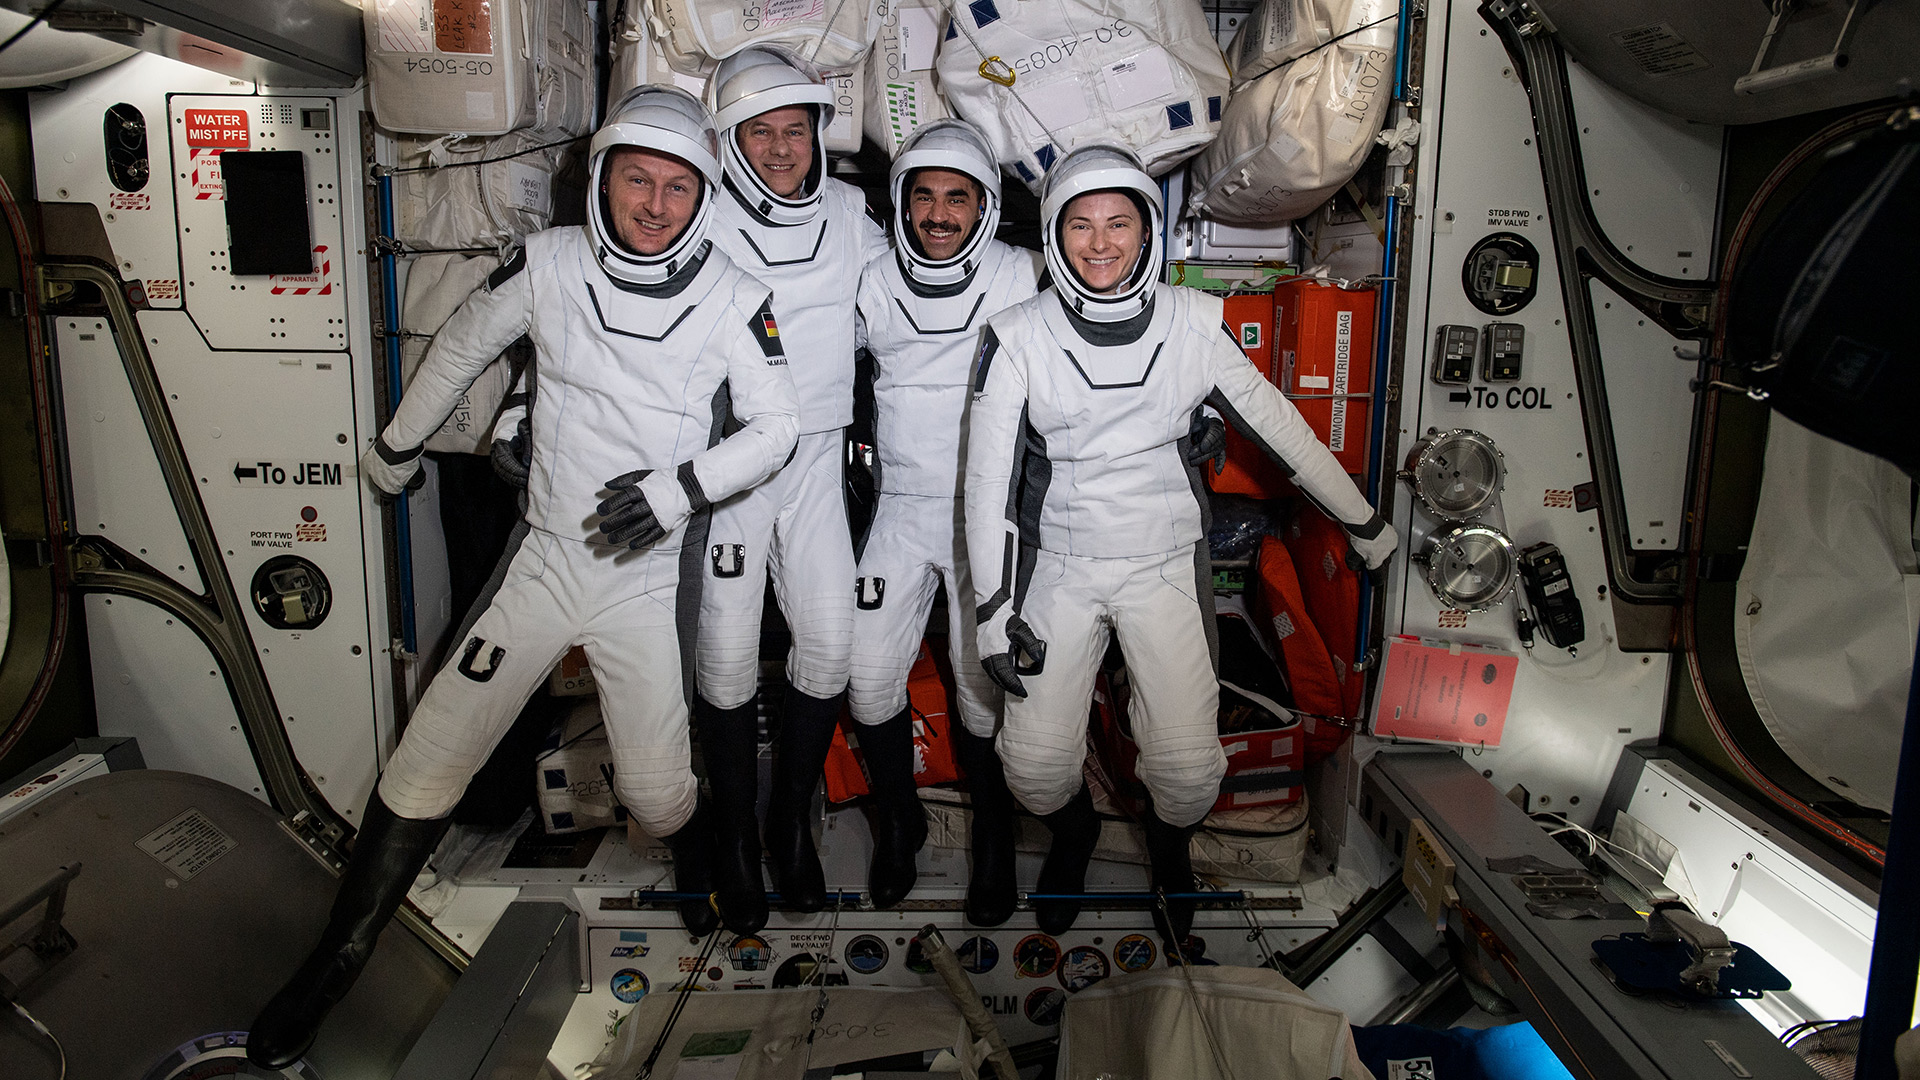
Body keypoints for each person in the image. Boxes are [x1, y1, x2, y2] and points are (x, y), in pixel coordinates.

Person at [246, 86, 797, 1069]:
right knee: (431, 755)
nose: (657, 204)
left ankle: (718, 845)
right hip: (543, 559)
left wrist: (680, 491)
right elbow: (463, 343)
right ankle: (337, 959)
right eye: (638, 180)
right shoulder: (547, 264)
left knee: (658, 797)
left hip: (644, 573)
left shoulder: (737, 296)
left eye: (678, 187)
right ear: (606, 179)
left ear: (703, 195)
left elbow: (779, 428)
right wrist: (399, 443)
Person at [963, 145, 1397, 948]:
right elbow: (984, 486)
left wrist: (1362, 519)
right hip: (1059, 566)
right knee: (1030, 767)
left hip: (1163, 563)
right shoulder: (1016, 334)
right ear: (1055, 236)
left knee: (1189, 771)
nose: (1100, 243)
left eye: (1119, 223)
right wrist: (993, 611)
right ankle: (1075, 836)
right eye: (1081, 224)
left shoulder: (1193, 323)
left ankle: (1169, 855)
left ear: (1146, 231)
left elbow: (1279, 427)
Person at [694, 47, 890, 919]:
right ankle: (731, 838)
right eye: (759, 133)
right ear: (729, 141)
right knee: (727, 655)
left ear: (818, 133)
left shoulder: (851, 212)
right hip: (735, 463)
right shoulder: (693, 219)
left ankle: (787, 822)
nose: (780, 150)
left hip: (817, 455)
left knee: (833, 643)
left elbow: (910, 305)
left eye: (794, 131)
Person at [849, 119, 1037, 919]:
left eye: (957, 198)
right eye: (922, 195)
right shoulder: (869, 277)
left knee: (979, 691)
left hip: (982, 519)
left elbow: (1107, 346)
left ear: (985, 206)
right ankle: (902, 824)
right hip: (896, 511)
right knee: (864, 681)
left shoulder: (1025, 275)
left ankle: (994, 840)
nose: (937, 214)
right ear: (900, 201)